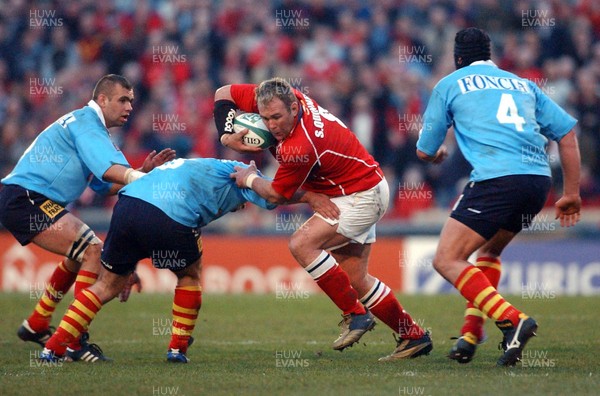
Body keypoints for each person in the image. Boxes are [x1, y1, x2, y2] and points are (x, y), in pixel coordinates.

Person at [217, 78, 432, 361]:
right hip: (362, 185)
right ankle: (412, 336)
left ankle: (355, 314)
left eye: (277, 117)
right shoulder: (279, 96)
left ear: (294, 108)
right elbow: (224, 93)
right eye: (265, 118)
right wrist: (226, 133)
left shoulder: (300, 144)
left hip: (360, 195)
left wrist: (250, 178)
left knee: (302, 244)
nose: (271, 125)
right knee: (356, 278)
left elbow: (276, 196)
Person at [39, 157, 335, 363]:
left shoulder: (200, 165)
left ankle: (53, 349)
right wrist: (310, 197)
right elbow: (275, 195)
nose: (242, 206)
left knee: (105, 285)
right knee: (190, 275)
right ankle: (177, 348)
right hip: (170, 215)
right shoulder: (242, 175)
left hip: (127, 205)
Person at [416, 27, 581, 366]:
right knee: (488, 250)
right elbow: (566, 134)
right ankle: (471, 334)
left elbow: (425, 150)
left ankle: (513, 320)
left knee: (446, 259)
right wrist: (572, 194)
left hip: (497, 180)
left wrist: (436, 157)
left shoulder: (449, 84)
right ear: (490, 55)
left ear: (457, 58)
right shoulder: (522, 84)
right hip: (537, 182)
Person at [0, 74, 176, 361]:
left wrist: (142, 174)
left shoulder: (89, 128)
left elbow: (104, 185)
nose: (129, 107)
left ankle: (37, 323)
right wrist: (141, 178)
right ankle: (73, 342)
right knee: (92, 249)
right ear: (102, 100)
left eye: (131, 100)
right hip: (28, 198)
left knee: (78, 254)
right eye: (122, 100)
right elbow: (110, 170)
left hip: (26, 198)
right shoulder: (88, 124)